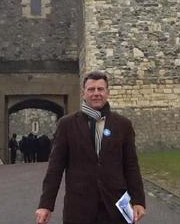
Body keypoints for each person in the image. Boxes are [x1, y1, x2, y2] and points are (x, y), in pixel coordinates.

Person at [35, 71, 146, 224]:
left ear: (108, 93)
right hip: (79, 207)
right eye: (91, 89)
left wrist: (138, 200)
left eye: (100, 89)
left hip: (118, 204)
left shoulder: (123, 125)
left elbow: (131, 165)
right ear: (83, 93)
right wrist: (46, 204)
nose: (96, 93)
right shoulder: (67, 124)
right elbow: (55, 167)